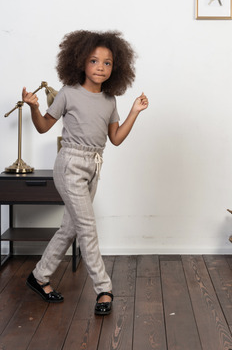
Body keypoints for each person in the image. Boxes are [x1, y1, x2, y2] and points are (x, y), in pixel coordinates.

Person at [22, 30, 149, 315]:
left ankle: (39, 276)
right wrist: (33, 107)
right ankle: (104, 289)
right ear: (80, 62)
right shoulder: (68, 93)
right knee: (88, 229)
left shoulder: (109, 100)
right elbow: (44, 126)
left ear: (116, 68)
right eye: (94, 61)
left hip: (94, 165)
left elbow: (115, 139)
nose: (101, 67)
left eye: (107, 63)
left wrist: (134, 112)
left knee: (70, 227)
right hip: (70, 165)